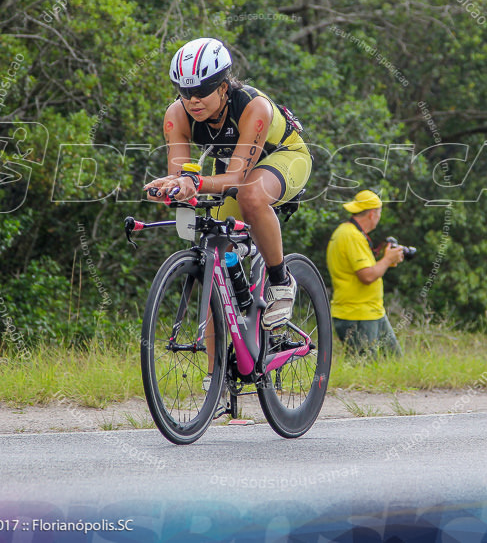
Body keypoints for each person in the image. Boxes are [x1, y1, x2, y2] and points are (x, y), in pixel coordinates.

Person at [144, 37, 311, 329]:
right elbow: (181, 174)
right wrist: (170, 186)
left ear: (223, 86)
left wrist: (191, 182)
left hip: (285, 156)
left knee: (251, 196)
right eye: (185, 91)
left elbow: (236, 179)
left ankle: (280, 280)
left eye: (202, 90)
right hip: (234, 165)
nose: (193, 100)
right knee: (215, 273)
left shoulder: (252, 106)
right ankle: (215, 375)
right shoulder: (176, 115)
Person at [326, 190, 405, 357]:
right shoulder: (351, 236)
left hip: (372, 311)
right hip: (358, 314)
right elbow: (367, 276)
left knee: (394, 361)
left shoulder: (349, 233)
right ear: (372, 214)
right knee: (363, 369)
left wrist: (387, 261)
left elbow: (365, 270)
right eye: (379, 213)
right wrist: (387, 259)